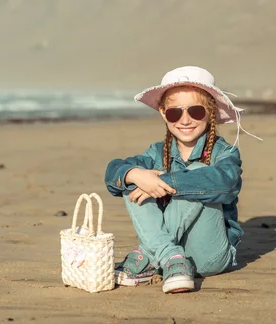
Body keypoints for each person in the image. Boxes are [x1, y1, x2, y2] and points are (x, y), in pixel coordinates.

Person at [104, 66, 260, 294]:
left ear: (211, 111)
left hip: (209, 254)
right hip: (172, 250)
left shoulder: (225, 153)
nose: (185, 120)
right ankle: (170, 257)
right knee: (134, 177)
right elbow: (113, 172)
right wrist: (136, 176)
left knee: (197, 172)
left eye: (195, 112)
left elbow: (225, 183)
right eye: (175, 113)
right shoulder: (156, 153)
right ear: (162, 113)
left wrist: (166, 183)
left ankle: (149, 254)